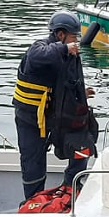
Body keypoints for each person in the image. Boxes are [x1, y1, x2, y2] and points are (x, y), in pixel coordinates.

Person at [13, 10, 96, 199]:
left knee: (83, 143)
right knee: (32, 161)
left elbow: (63, 84)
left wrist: (81, 95)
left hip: (56, 116)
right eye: (74, 37)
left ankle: (71, 186)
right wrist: (65, 49)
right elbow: (37, 55)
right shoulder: (41, 47)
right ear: (60, 34)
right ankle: (34, 200)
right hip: (30, 119)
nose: (76, 42)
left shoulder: (68, 55)